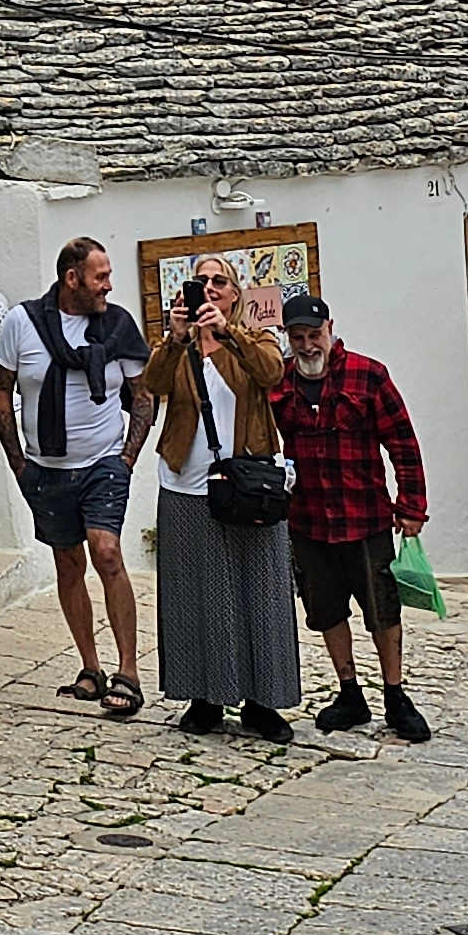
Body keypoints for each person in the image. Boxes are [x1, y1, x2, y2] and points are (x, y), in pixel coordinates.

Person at [125, 252, 298, 738]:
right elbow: (150, 388)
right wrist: (177, 338)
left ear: (235, 293)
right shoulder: (175, 347)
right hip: (185, 484)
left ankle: (262, 701)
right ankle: (204, 698)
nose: (210, 287)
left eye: (220, 281)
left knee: (259, 593)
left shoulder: (254, 337)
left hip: (247, 483)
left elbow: (270, 373)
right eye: (201, 281)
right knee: (193, 596)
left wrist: (224, 333)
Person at [0, 236, 150, 715]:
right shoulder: (22, 323)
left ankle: (129, 671)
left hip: (104, 462)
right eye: (100, 277)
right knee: (68, 563)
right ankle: (90, 667)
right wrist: (18, 460)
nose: (109, 286)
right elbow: (1, 390)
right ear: (71, 278)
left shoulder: (118, 325)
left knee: (106, 552)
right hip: (46, 468)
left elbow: (143, 394)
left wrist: (127, 456)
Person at [270, 287, 432, 741]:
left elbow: (403, 444)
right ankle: (349, 692)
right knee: (326, 611)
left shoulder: (368, 375)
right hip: (308, 521)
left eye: (314, 334)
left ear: (331, 330)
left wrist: (412, 506)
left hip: (366, 519)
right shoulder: (279, 384)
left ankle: (396, 695)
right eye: (298, 336)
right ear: (288, 337)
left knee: (382, 609)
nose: (307, 346)